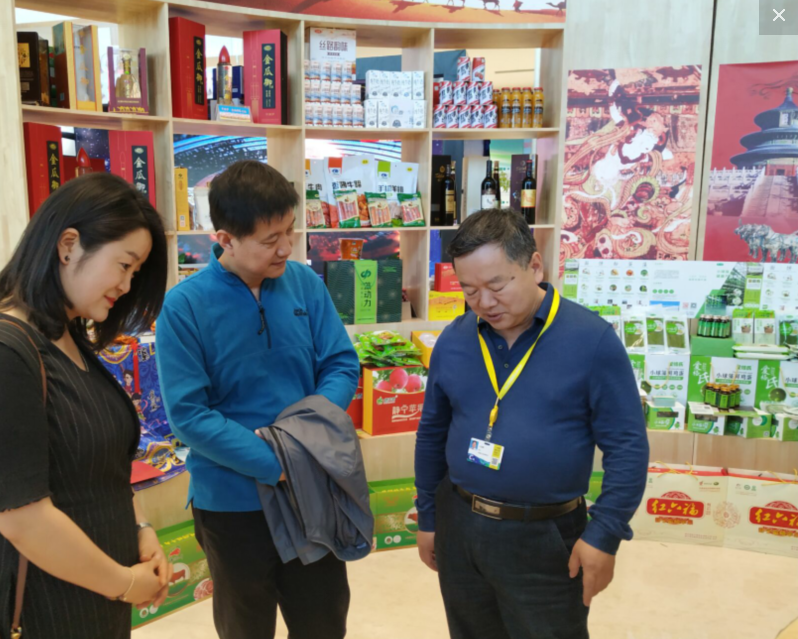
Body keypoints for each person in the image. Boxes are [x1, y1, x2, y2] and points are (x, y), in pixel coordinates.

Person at [0, 173, 171, 639]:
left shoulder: (66, 337)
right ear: (68, 246)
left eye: (135, 272)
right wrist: (125, 584)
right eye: (124, 265)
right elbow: (24, 520)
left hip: (97, 600)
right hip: (42, 612)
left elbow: (101, 465)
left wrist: (140, 527)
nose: (127, 284)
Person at [414, 209, 649, 639]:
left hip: (544, 535)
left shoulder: (591, 340)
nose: (484, 303)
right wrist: (429, 518)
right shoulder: (455, 339)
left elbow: (628, 446)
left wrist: (605, 533)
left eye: (496, 285)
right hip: (459, 523)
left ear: (534, 266)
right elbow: (432, 433)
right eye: (469, 290)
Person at [156, 160, 360, 639]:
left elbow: (340, 364)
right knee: (244, 627)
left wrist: (305, 441)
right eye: (270, 240)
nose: (286, 248)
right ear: (225, 239)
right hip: (231, 503)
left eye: (289, 231)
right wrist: (277, 462)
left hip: (311, 491)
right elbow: (188, 414)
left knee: (323, 621)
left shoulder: (305, 285)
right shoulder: (184, 307)